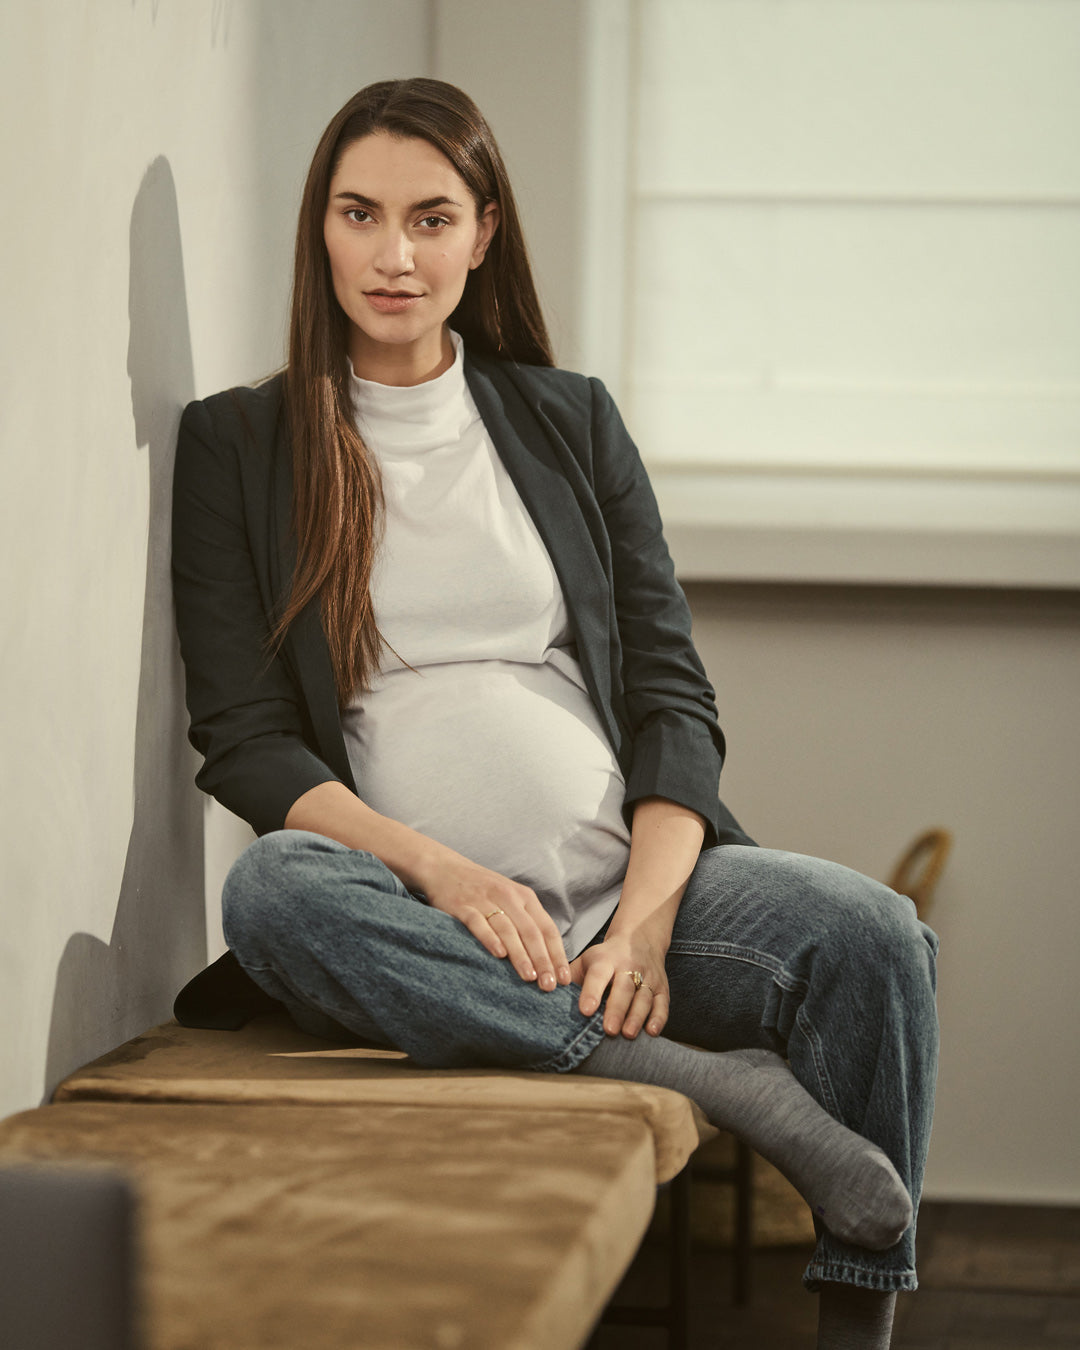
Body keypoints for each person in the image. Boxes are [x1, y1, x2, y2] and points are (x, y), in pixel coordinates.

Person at [171, 77, 938, 1349]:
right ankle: (700, 1081)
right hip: (425, 926)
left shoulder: (568, 418)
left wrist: (639, 928)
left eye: (431, 218)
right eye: (360, 214)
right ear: (321, 229)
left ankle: (859, 1325)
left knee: (877, 935)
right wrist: (450, 878)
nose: (394, 254)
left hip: (620, 897)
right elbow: (246, 737)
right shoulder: (242, 444)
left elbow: (670, 695)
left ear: (483, 235)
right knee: (271, 896)